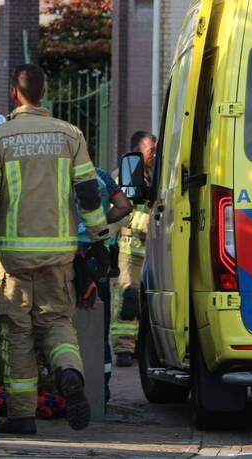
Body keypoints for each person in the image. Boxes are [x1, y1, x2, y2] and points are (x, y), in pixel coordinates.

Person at [0, 64, 110, 436]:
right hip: (58, 256)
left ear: (15, 92)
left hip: (12, 259)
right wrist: (98, 238)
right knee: (58, 325)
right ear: (43, 93)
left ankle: (22, 415)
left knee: (18, 332)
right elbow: (89, 193)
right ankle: (68, 373)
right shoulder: (69, 135)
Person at [75, 167, 132, 404]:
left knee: (59, 322)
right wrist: (100, 223)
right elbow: (124, 206)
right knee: (100, 321)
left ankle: (67, 383)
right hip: (97, 253)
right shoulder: (102, 176)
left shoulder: (52, 173)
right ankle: (101, 393)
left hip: (64, 251)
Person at [112, 130, 157, 367]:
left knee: (145, 303)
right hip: (129, 252)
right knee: (127, 300)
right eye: (151, 150)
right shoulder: (123, 178)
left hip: (150, 251)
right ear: (138, 152)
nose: (155, 154)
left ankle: (140, 347)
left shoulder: (155, 176)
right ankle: (123, 350)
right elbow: (119, 214)